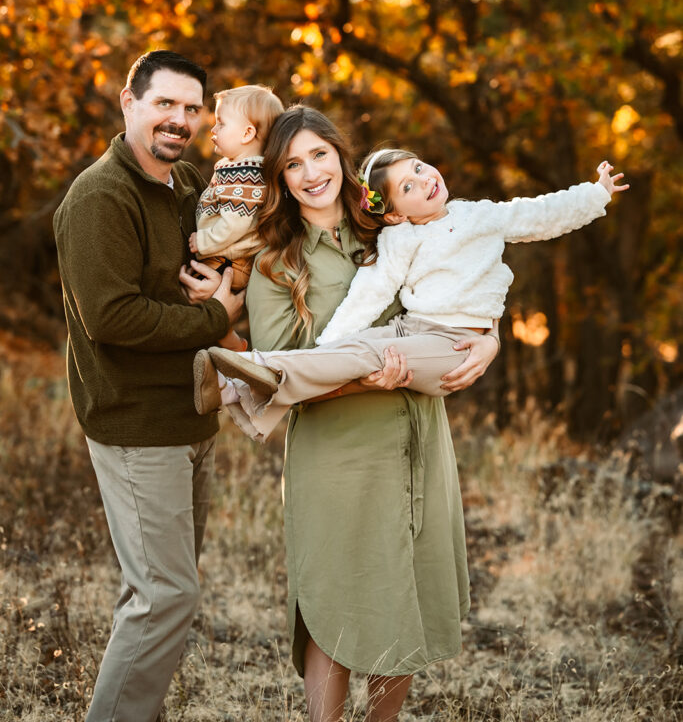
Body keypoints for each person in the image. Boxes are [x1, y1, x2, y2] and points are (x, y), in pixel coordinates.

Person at [202, 106, 500, 722]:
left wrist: (490, 338)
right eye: (293, 165)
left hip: (418, 438)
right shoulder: (277, 260)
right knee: (332, 600)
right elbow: (289, 373)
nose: (311, 173)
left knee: (402, 593)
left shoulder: (392, 228)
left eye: (320, 155)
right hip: (336, 454)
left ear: (341, 157)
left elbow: (460, 291)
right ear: (280, 180)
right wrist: (371, 378)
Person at [52, 50, 243, 722]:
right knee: (166, 598)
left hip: (191, 416)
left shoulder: (185, 181)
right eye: (165, 103)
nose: (179, 119)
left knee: (155, 597)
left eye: (192, 108)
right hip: (136, 426)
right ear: (128, 101)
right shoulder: (100, 198)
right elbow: (110, 317)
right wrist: (215, 315)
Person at [193, 150, 627, 441]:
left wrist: (596, 193)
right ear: (396, 212)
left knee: (367, 357)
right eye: (406, 187)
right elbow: (371, 292)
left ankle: (250, 372)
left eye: (418, 169)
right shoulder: (400, 239)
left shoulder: (481, 216)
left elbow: (541, 214)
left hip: (454, 343)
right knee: (361, 347)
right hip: (411, 328)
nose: (423, 181)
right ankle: (235, 390)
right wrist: (333, 344)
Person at [189, 83, 284, 289]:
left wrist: (204, 241)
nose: (213, 129)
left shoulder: (245, 176)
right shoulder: (238, 168)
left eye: (221, 124)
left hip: (228, 264)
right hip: (222, 259)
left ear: (247, 134)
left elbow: (234, 224)